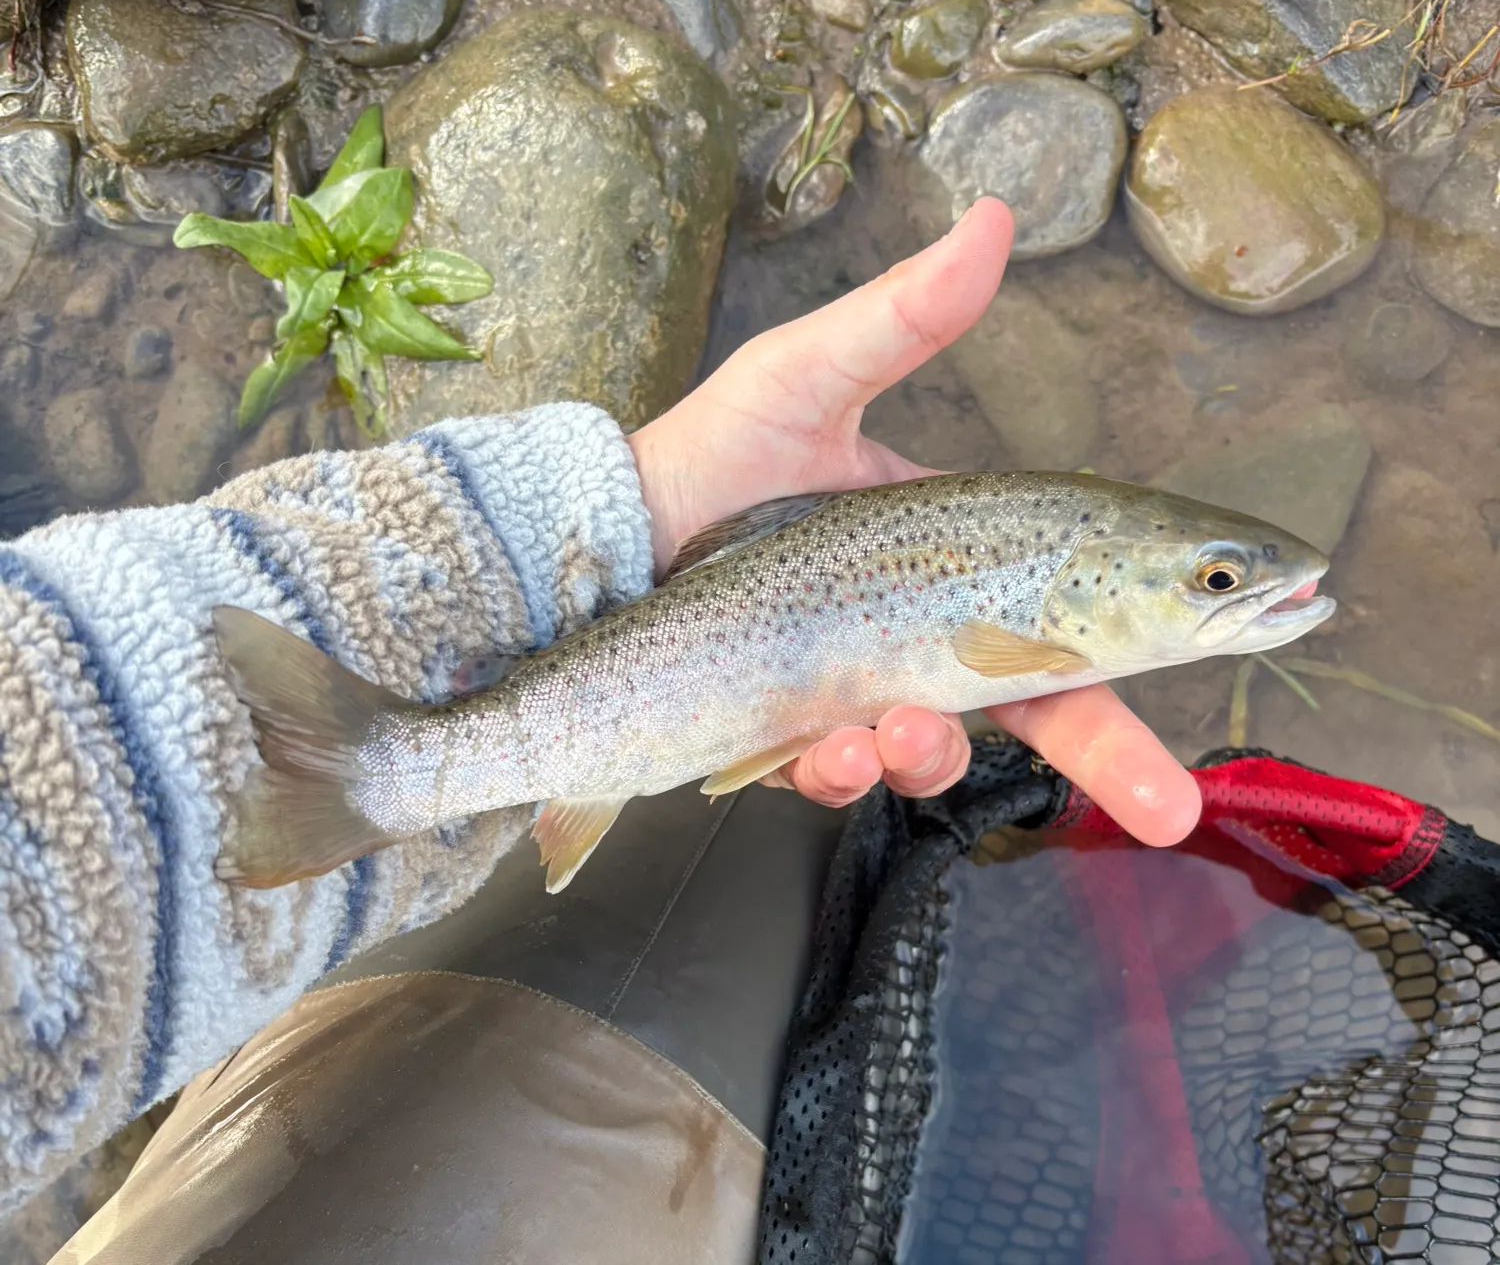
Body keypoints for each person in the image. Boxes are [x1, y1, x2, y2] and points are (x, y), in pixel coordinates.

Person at [0, 196, 1200, 1214]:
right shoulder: (1028, 628)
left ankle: (399, 777)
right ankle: (391, 777)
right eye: (1215, 584)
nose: (1245, 599)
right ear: (1091, 585)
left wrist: (622, 507)